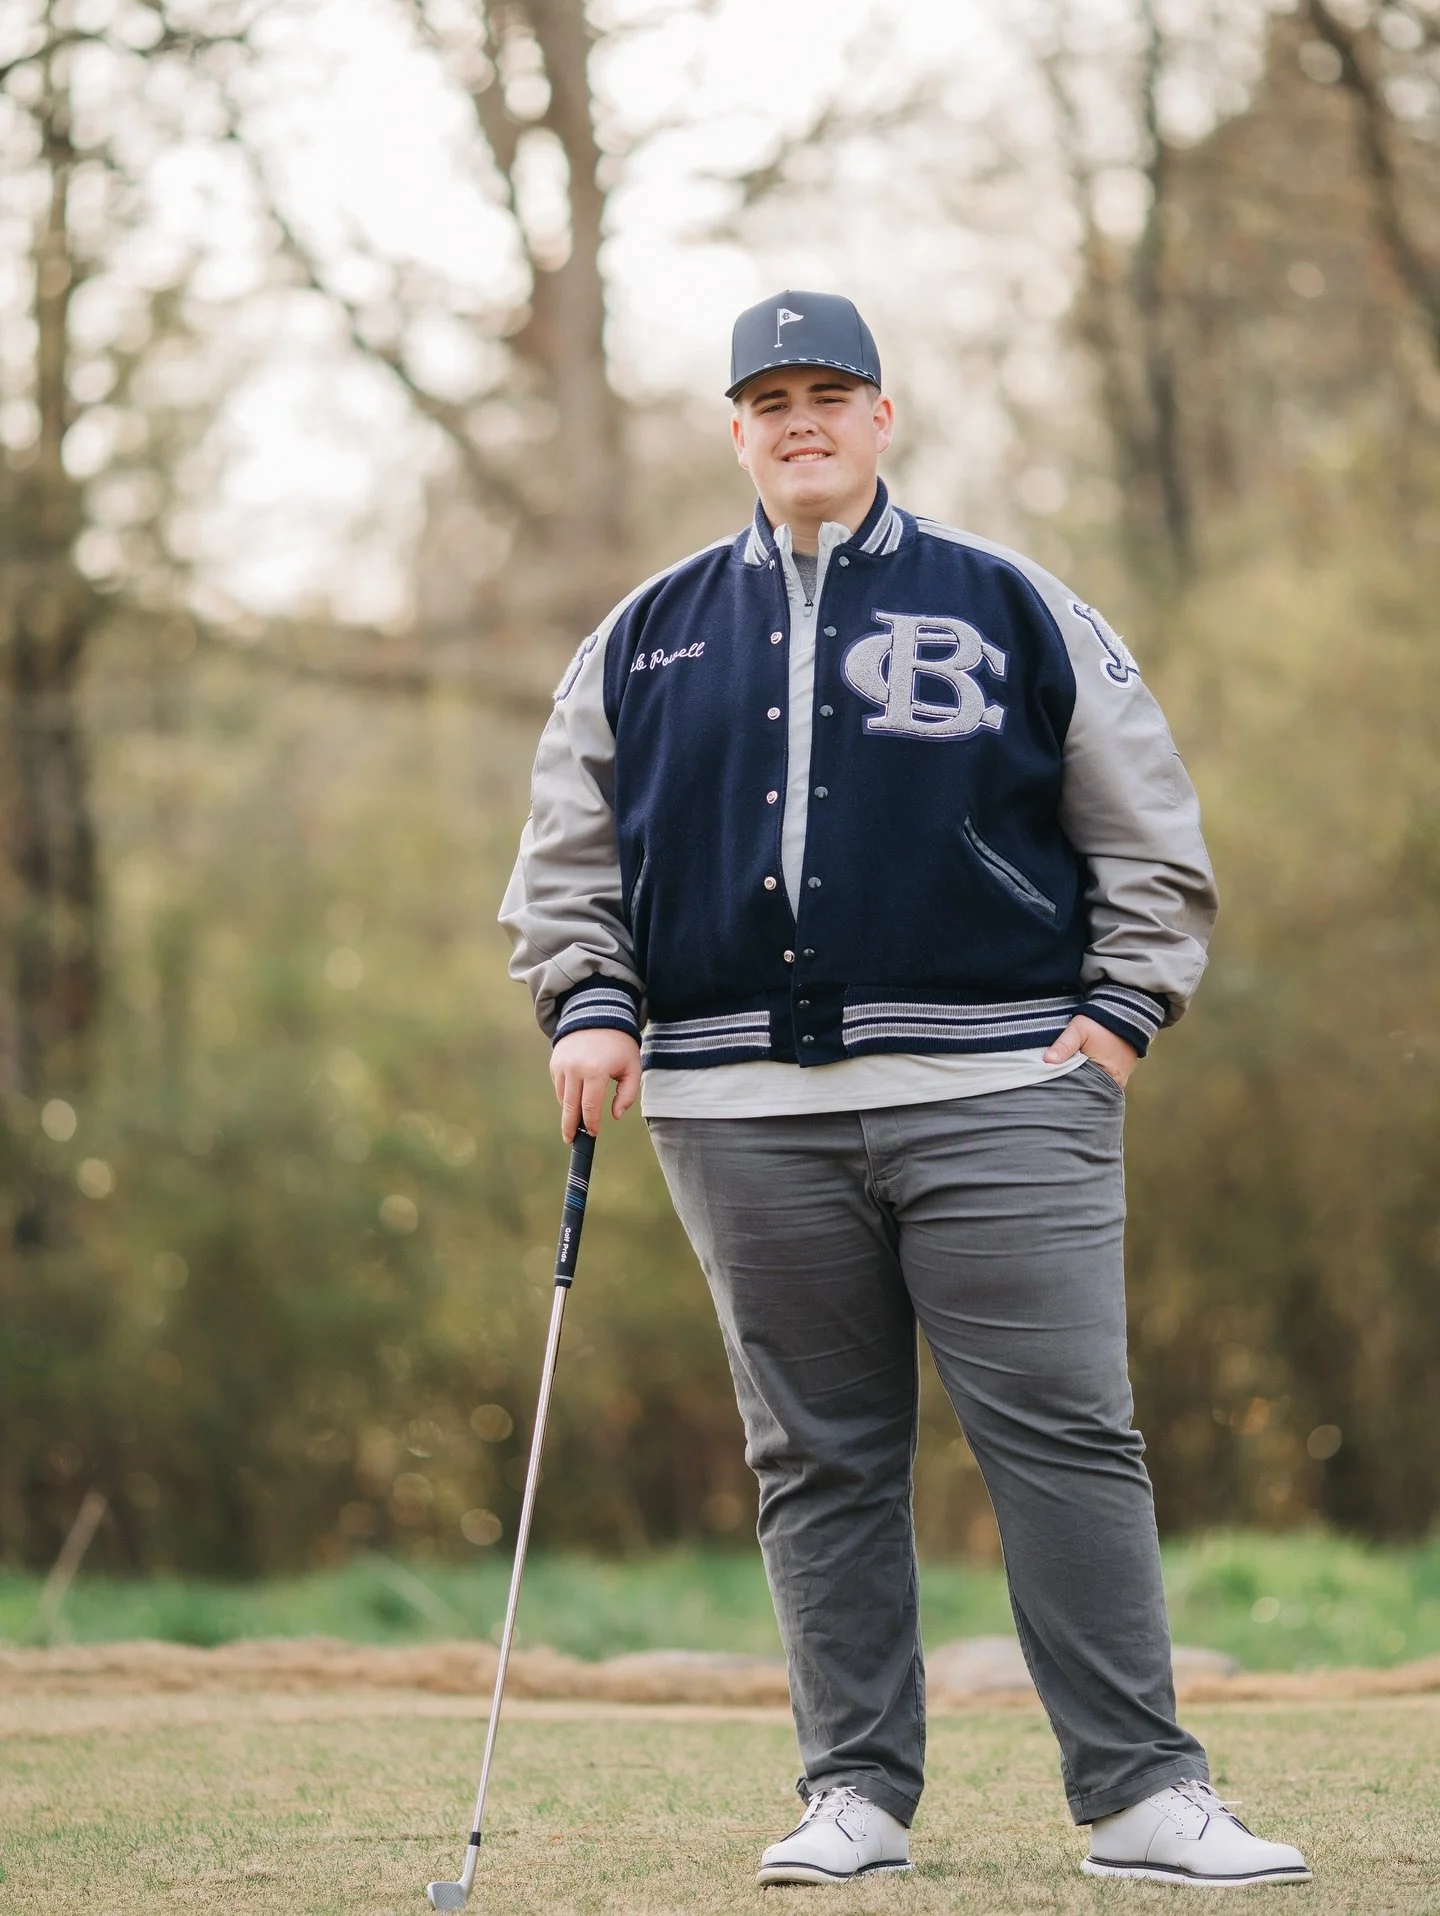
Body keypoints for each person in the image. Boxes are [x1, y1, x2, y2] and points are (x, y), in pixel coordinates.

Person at [501, 290, 1310, 1889]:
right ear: (735, 430)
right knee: (818, 1457)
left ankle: (1143, 1797)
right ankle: (855, 1792)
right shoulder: (643, 634)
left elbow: (1148, 832)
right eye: (770, 398)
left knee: (1067, 1438)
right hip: (736, 1115)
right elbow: (566, 863)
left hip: (1009, 1089)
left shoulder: (1013, 603)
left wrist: (1120, 1022)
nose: (801, 420)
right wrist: (588, 1005)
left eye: (832, 392)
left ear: (885, 417)